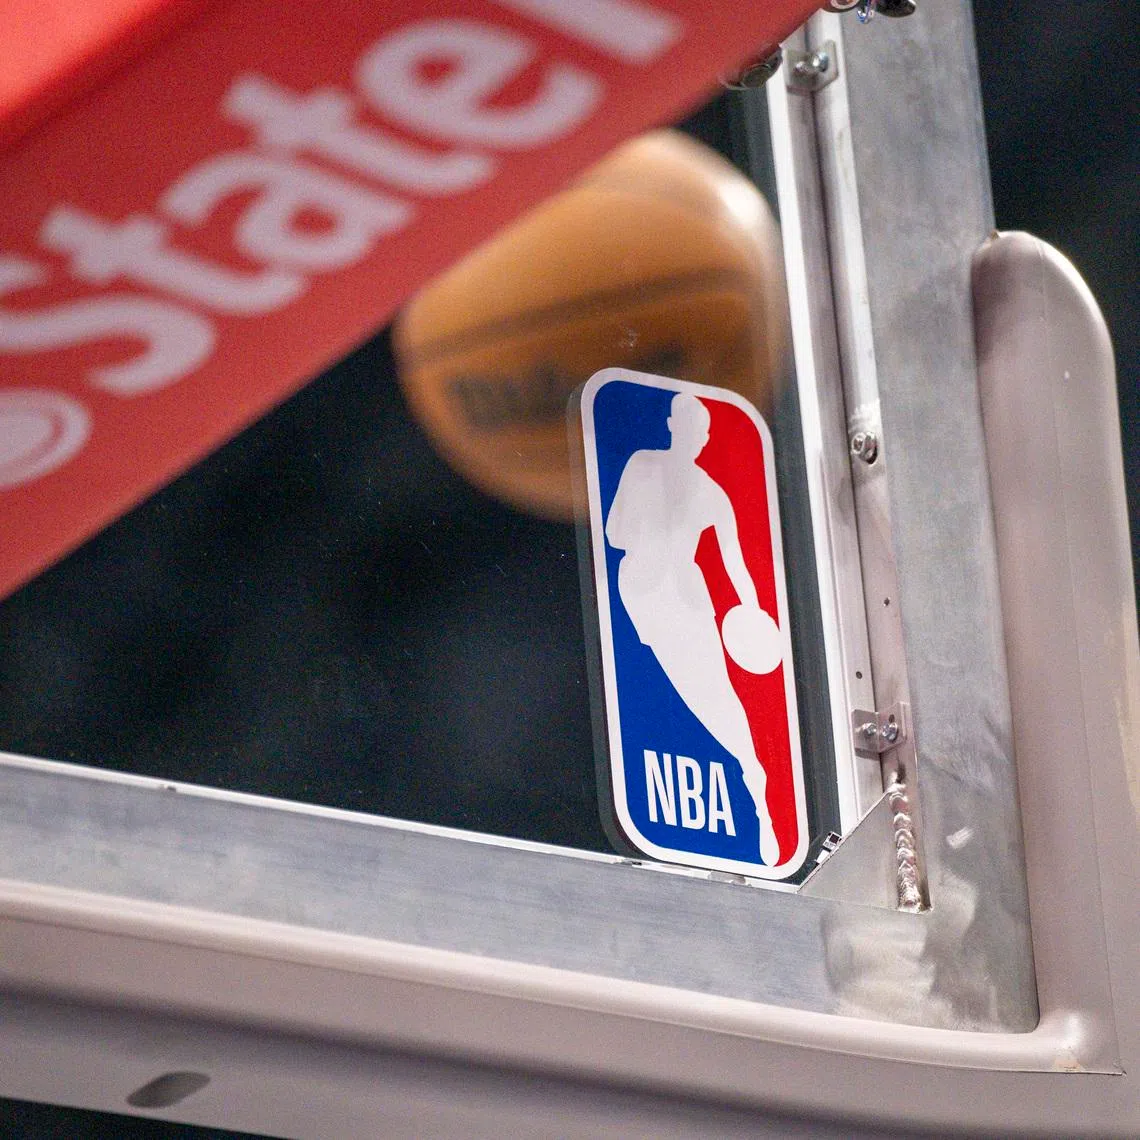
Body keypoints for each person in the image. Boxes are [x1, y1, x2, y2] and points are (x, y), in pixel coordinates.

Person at [605, 392, 780, 865]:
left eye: (701, 431)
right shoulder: (652, 470)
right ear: (677, 428)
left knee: (717, 695)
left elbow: (736, 563)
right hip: (647, 596)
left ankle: (757, 787)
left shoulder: (704, 491)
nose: (699, 439)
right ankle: (753, 778)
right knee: (696, 697)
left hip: (674, 595)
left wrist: (755, 615)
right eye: (695, 429)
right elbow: (615, 534)